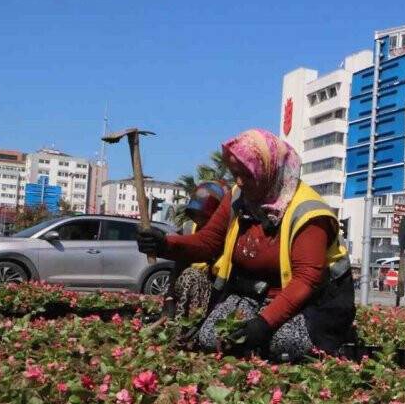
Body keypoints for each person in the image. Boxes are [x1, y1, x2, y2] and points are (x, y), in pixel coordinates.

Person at [137, 129, 355, 360]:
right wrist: (164, 244)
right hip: (253, 293)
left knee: (282, 343)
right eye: (235, 174)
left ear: (269, 170)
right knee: (213, 337)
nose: (239, 182)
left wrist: (263, 325)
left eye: (247, 175)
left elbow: (306, 280)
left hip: (312, 303)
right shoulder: (238, 197)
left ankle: (333, 344)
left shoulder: (308, 212)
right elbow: (207, 242)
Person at [161, 180, 227, 319]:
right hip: (188, 288)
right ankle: (179, 324)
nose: (199, 220)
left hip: (215, 291)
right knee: (190, 275)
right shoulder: (189, 228)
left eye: (203, 216)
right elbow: (179, 265)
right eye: (196, 215)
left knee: (192, 277)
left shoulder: (227, 234)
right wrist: (169, 298)